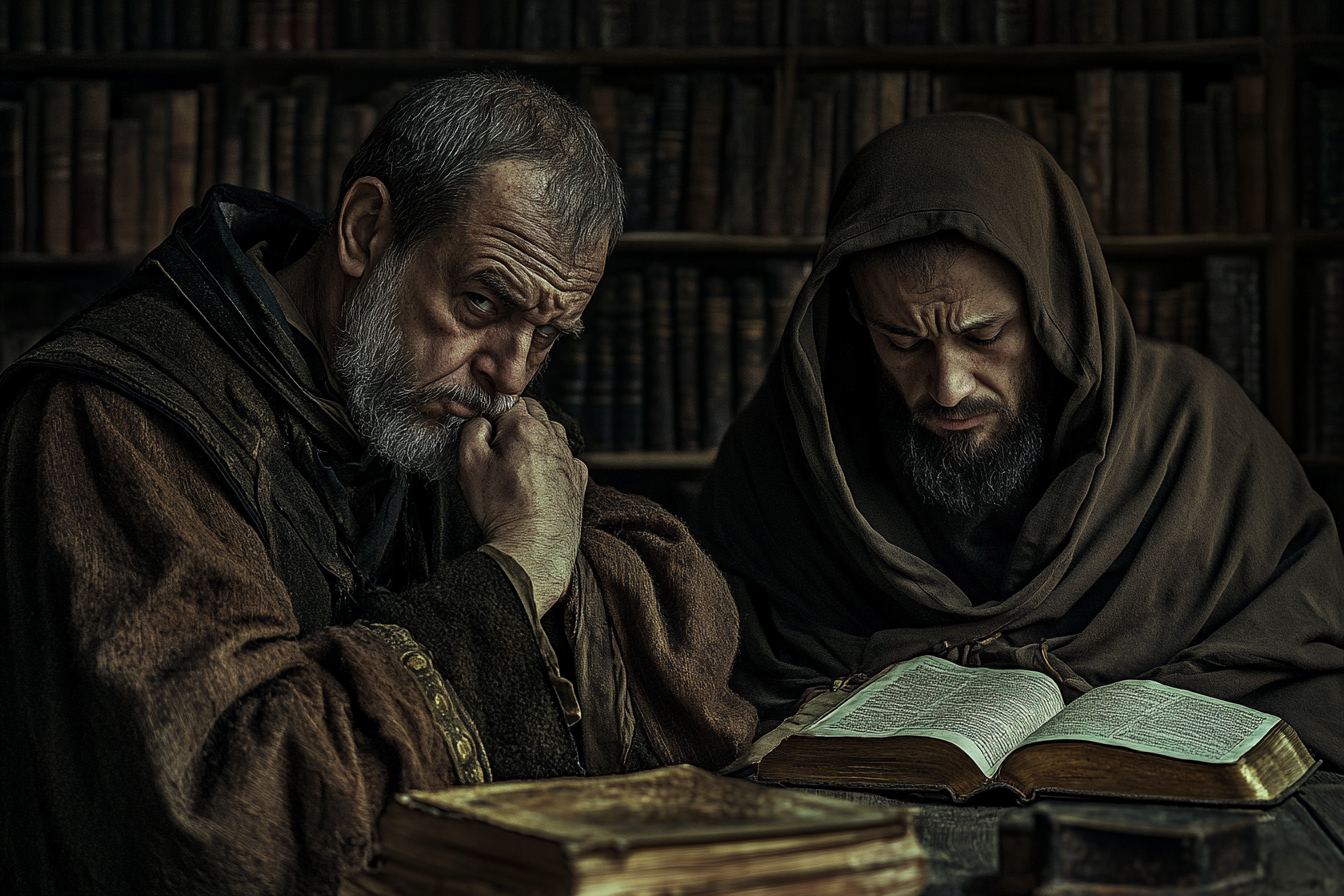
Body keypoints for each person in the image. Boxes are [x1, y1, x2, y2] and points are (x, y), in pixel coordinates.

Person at [0, 72, 754, 895]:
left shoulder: (428, 399)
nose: (511, 378)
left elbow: (688, 667)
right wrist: (521, 567)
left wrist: (545, 549)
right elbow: (234, 803)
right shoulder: (115, 417)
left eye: (547, 336)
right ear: (364, 231)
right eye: (478, 301)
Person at [694, 112, 1344, 769]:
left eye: (984, 336)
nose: (947, 387)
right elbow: (720, 678)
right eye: (902, 341)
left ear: (1056, 309)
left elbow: (1304, 657)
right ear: (854, 317)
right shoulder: (784, 458)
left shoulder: (1195, 436)